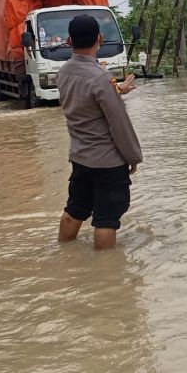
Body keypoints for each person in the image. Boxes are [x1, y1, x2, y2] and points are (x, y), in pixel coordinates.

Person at [57, 14, 142, 250]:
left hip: (80, 158)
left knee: (74, 210)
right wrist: (133, 157)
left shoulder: (63, 73)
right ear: (100, 38)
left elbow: (86, 100)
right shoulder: (101, 77)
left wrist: (117, 89)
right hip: (107, 162)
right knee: (106, 220)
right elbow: (119, 123)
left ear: (69, 41)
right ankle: (106, 270)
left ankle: (63, 253)